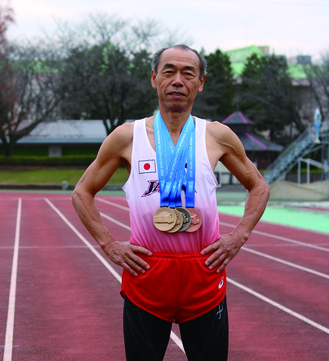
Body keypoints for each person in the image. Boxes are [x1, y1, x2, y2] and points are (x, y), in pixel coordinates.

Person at [72, 44, 270, 361]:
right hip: (147, 270)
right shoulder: (126, 136)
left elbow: (258, 185)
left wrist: (238, 237)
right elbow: (82, 192)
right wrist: (109, 244)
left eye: (187, 73)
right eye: (169, 71)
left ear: (200, 82)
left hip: (204, 270)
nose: (177, 80)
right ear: (154, 78)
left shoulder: (217, 135)